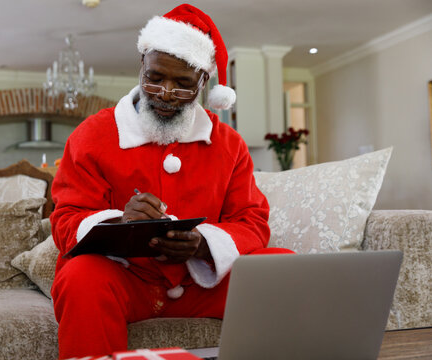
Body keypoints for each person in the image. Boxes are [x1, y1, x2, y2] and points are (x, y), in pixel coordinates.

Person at [50, 4, 293, 358]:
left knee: (284, 267)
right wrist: (120, 222)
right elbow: (66, 219)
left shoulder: (229, 144)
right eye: (155, 77)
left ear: (203, 82)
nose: (165, 93)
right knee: (80, 278)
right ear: (142, 66)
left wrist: (202, 244)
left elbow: (252, 221)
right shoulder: (92, 135)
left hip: (201, 282)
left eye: (182, 84)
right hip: (125, 279)